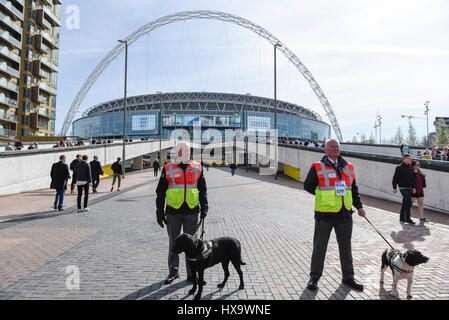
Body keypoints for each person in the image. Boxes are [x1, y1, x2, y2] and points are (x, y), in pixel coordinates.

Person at [304, 138, 366, 292]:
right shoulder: (318, 166)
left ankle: (348, 277)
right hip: (325, 214)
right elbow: (308, 186)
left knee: (346, 247)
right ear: (325, 150)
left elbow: (353, 189)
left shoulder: (348, 167)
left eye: (337, 146)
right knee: (319, 247)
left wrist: (359, 207)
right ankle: (314, 278)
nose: (335, 148)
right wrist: (322, 196)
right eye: (332, 146)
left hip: (345, 214)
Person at [155, 142, 208, 285]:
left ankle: (192, 274)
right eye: (183, 150)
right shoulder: (168, 168)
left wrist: (205, 207)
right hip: (173, 212)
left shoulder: (197, 167)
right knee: (174, 243)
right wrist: (159, 211)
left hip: (192, 211)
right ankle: (173, 272)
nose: (186, 153)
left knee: (192, 245)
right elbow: (160, 192)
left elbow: (202, 189)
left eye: (188, 151)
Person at [392, 154, 416, 224]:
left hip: (409, 188)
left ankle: (402, 217)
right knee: (409, 201)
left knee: (405, 202)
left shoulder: (411, 168)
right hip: (402, 188)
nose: (410, 160)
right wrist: (394, 188)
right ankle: (407, 218)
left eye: (410, 158)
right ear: (404, 159)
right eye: (409, 158)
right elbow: (395, 178)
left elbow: (413, 179)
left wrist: (413, 187)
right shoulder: (399, 167)